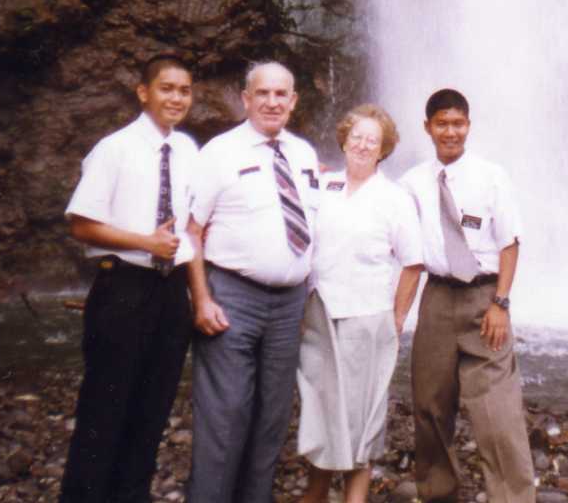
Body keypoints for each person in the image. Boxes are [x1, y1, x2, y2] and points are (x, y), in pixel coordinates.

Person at [60, 53, 198, 503]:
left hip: (171, 290)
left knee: (153, 409)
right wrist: (145, 242)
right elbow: (82, 225)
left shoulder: (188, 150)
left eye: (184, 90)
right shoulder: (114, 149)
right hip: (123, 287)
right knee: (105, 408)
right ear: (143, 92)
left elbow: (194, 224)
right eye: (166, 88)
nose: (176, 98)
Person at [187, 61, 322, 503]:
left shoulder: (303, 154)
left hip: (289, 304)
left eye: (281, 94)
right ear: (246, 99)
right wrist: (201, 299)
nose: (272, 102)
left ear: (293, 101)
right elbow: (192, 230)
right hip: (232, 296)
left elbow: (314, 227)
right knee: (225, 415)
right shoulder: (219, 152)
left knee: (271, 419)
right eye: (262, 93)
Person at [401, 89, 536, 503]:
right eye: (442, 124)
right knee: (429, 405)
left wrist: (501, 303)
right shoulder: (411, 183)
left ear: (469, 126)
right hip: (437, 297)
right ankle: (438, 492)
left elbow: (509, 243)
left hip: (483, 297)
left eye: (458, 123)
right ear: (427, 127)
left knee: (498, 412)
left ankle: (513, 498)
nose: (450, 132)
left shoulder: (491, 176)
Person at [296, 104, 424, 503]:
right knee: (321, 411)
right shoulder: (323, 186)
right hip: (319, 313)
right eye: (357, 137)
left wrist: (397, 318)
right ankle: (315, 495)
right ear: (344, 140)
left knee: (361, 416)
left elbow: (413, 262)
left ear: (384, 149)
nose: (364, 145)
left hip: (368, 316)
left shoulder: (394, 197)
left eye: (373, 140)